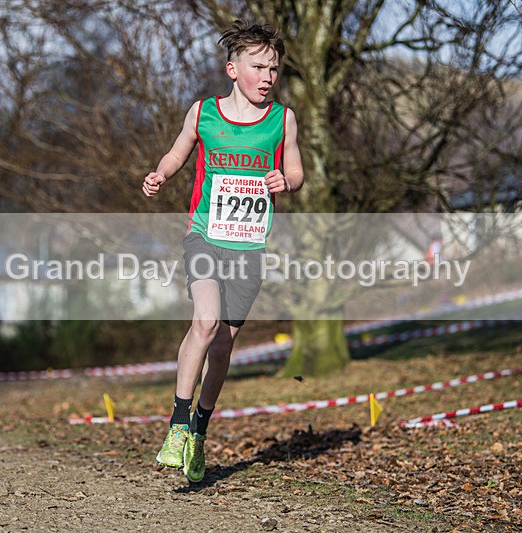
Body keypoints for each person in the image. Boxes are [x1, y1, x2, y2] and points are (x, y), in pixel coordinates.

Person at [142, 20, 304, 483]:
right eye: (258, 67)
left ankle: (199, 428)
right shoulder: (203, 113)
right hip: (205, 236)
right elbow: (177, 153)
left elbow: (296, 171)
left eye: (274, 68)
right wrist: (160, 174)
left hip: (249, 248)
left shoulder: (283, 120)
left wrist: (285, 181)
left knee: (224, 345)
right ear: (234, 69)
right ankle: (176, 423)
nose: (268, 76)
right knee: (206, 322)